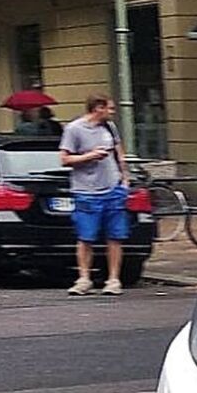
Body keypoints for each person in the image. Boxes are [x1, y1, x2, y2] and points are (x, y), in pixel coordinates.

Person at [58, 93, 129, 296]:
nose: (113, 112)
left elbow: (119, 152)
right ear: (98, 108)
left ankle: (114, 279)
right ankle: (84, 279)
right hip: (87, 190)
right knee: (86, 237)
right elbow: (64, 159)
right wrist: (90, 156)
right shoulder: (74, 129)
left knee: (115, 236)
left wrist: (125, 179)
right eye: (110, 108)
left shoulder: (110, 127)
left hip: (113, 188)